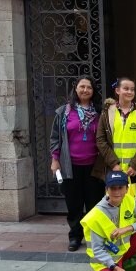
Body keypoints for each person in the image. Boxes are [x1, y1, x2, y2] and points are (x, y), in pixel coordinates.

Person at [50, 76, 106, 252]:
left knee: (93, 202)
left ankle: (93, 236)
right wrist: (55, 159)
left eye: (89, 87)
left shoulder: (100, 112)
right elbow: (55, 138)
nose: (85, 90)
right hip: (70, 165)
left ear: (93, 91)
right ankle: (75, 236)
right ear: (75, 89)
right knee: (73, 203)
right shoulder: (64, 112)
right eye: (82, 86)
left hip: (93, 166)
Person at [96, 77, 136, 207]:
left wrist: (135, 165)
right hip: (113, 170)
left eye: (132, 89)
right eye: (126, 89)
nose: (130, 92)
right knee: (113, 206)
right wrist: (114, 164)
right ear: (117, 90)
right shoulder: (107, 112)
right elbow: (101, 140)